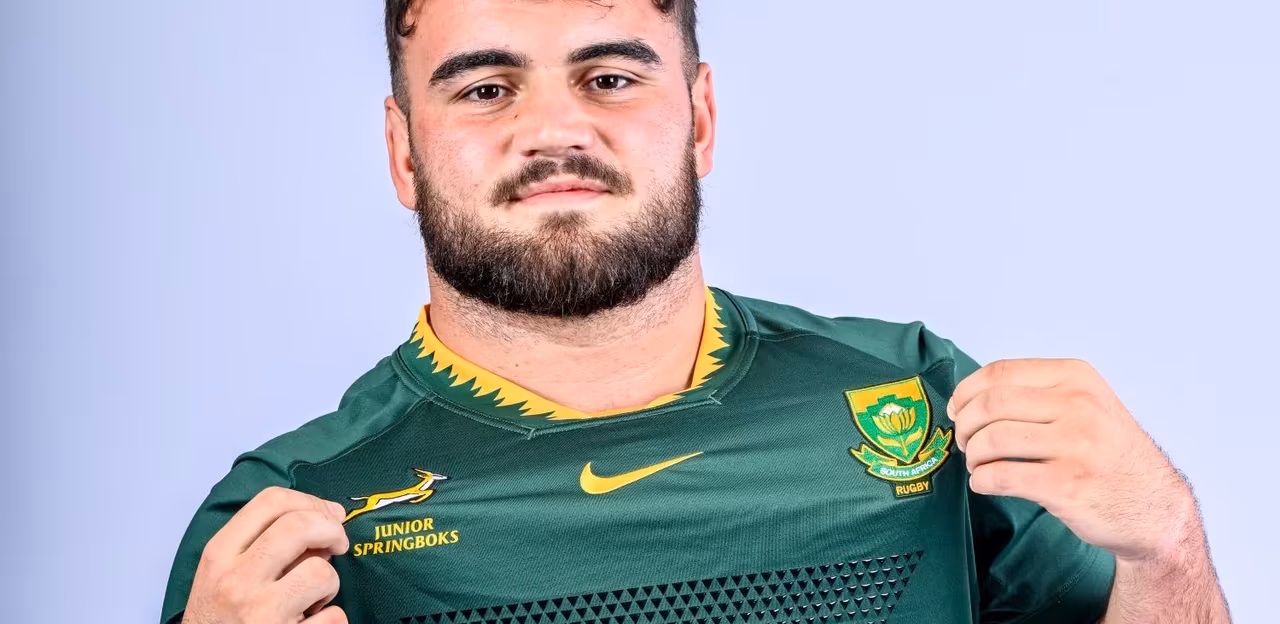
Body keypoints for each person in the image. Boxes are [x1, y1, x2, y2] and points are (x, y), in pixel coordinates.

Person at [161, 1, 1231, 623]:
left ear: (701, 117)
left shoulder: (919, 398)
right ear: (403, 150)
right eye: (485, 89)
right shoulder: (286, 522)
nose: (554, 131)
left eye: (609, 78)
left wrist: (1166, 546)